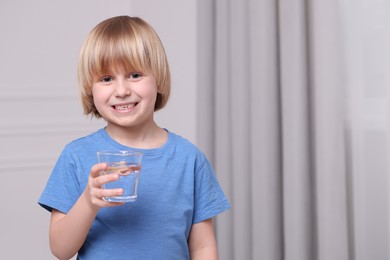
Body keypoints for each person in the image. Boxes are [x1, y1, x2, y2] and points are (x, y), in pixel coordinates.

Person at [38, 15, 230, 260]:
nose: (122, 91)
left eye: (135, 75)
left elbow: (203, 247)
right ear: (90, 89)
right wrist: (89, 201)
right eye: (106, 79)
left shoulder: (189, 159)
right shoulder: (76, 156)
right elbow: (61, 250)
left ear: (158, 79)